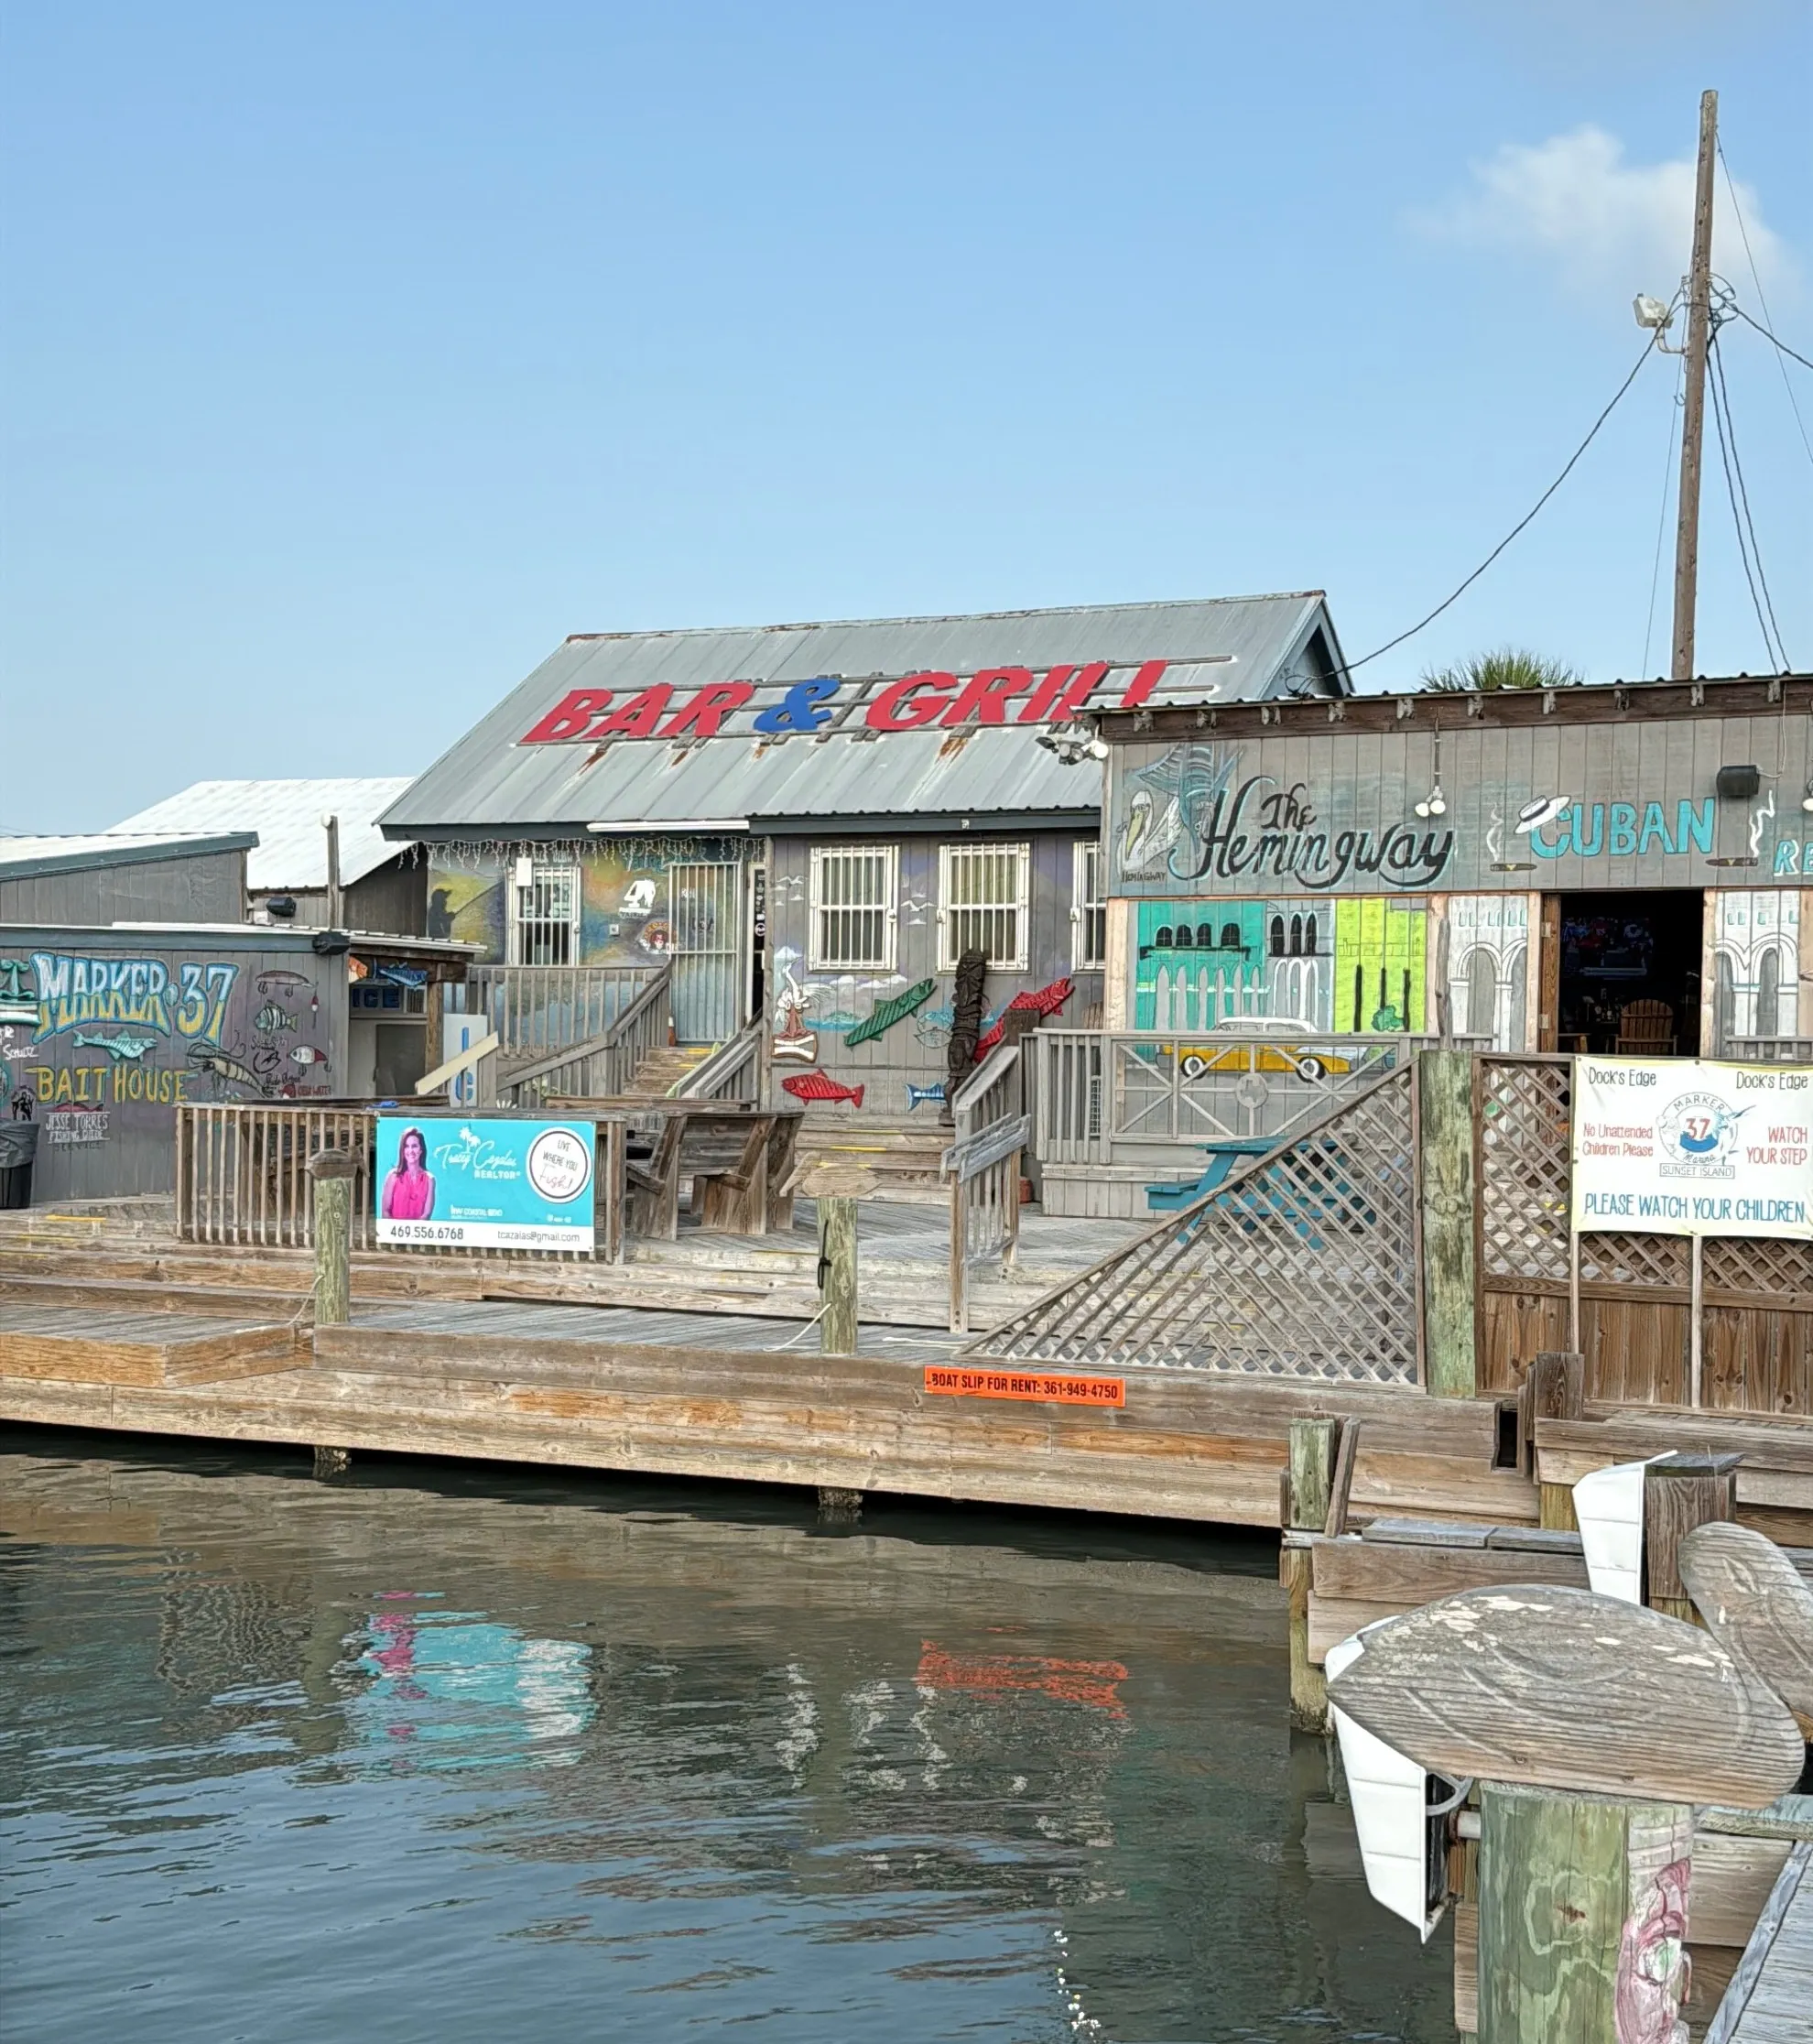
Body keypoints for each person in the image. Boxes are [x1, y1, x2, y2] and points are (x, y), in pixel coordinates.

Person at [381, 1126, 435, 1220]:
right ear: (403, 1150)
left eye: (414, 1146)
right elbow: (385, 1212)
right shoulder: (393, 1176)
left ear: (421, 1150)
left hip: (418, 1232)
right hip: (394, 1232)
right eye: (406, 1146)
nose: (410, 1151)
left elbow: (427, 1214)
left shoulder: (430, 1179)